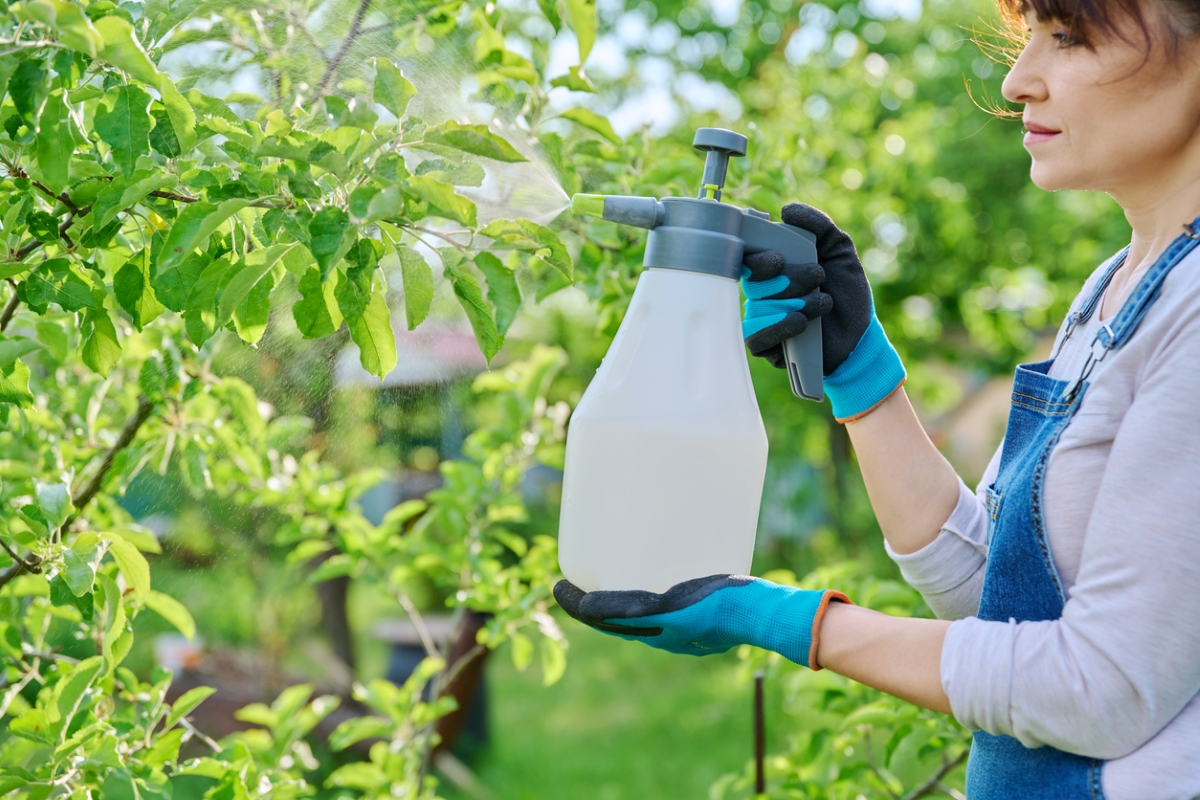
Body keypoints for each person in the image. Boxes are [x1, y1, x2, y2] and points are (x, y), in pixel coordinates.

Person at [553, 0, 1200, 796]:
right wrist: (860, 374)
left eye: (1068, 39)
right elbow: (996, 602)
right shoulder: (1120, 285)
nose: (1017, 78)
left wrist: (779, 619)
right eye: (1028, 37)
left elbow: (1099, 691)